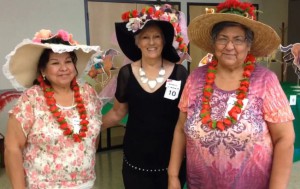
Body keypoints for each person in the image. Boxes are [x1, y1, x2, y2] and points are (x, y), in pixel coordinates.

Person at [168, 0, 295, 189]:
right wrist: (173, 176)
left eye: (238, 39)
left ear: (249, 45)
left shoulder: (265, 81)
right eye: (222, 38)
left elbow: (285, 139)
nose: (229, 46)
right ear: (213, 43)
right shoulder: (196, 78)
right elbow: (180, 128)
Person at [102, 5, 189, 189]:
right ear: (137, 42)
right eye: (145, 37)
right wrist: (89, 128)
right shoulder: (126, 73)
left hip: (171, 162)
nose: (151, 42)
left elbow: (186, 120)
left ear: (164, 41)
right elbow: (118, 112)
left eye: (156, 36)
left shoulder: (179, 73)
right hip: (135, 162)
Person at [3, 29, 102, 189]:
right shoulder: (32, 98)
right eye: (55, 63)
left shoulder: (88, 93)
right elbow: (12, 148)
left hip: (86, 184)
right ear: (43, 70)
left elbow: (93, 136)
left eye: (68, 61)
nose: (64, 68)